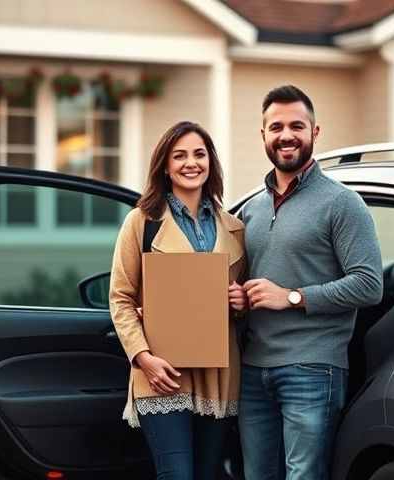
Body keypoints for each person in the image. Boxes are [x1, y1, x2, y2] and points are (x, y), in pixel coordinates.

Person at [234, 85, 384, 480]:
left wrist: (294, 297)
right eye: (276, 126)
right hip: (252, 368)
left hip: (312, 368)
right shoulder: (251, 209)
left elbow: (369, 284)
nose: (286, 135)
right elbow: (251, 284)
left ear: (315, 132)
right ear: (263, 135)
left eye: (297, 126)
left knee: (304, 476)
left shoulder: (342, 203)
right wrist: (238, 297)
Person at [109, 121, 248, 480]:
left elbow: (243, 302)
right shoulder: (141, 222)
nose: (191, 163)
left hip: (218, 376)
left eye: (199, 154)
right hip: (161, 373)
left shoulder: (234, 227)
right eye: (180, 155)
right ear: (165, 165)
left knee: (207, 474)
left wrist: (241, 299)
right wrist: (144, 359)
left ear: (210, 162)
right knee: (177, 475)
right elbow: (121, 298)